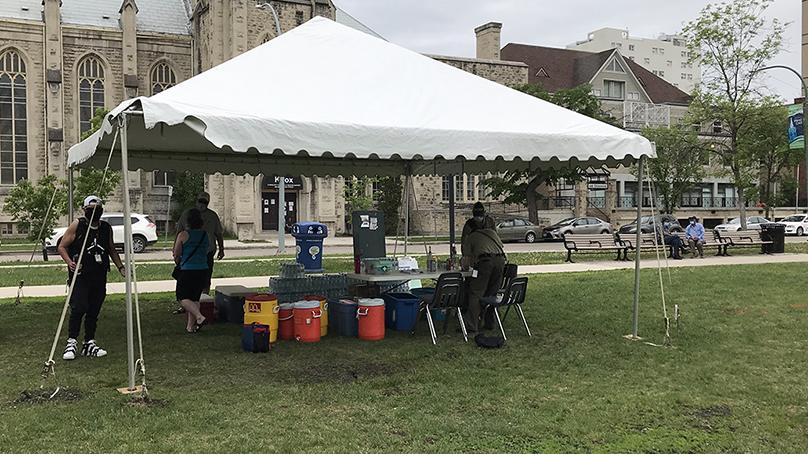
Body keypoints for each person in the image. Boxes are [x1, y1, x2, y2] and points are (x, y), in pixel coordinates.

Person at [57, 196, 125, 360]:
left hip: (99, 274)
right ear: (85, 209)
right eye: (91, 208)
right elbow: (62, 246)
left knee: (94, 309)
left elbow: (111, 249)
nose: (95, 212)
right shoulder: (78, 225)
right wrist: (69, 262)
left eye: (98, 208)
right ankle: (72, 341)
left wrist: (121, 267)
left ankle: (89, 342)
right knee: (79, 307)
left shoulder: (105, 228)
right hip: (80, 275)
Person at [173, 191, 224, 313]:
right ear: (196, 201)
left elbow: (219, 234)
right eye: (201, 201)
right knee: (185, 283)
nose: (202, 204)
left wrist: (222, 249)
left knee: (205, 281)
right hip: (187, 256)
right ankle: (187, 306)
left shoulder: (212, 216)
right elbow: (178, 232)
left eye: (205, 202)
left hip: (206, 254)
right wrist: (176, 252)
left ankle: (203, 303)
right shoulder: (187, 214)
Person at [462, 202, 506, 333]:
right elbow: (501, 246)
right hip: (500, 261)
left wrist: (469, 267)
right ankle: (490, 322)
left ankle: (472, 325)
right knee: (492, 293)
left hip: (485, 262)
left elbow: (466, 256)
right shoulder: (492, 232)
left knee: (475, 293)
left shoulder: (471, 236)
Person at [173, 208, 210, 333]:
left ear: (188, 221)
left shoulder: (183, 234)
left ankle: (200, 317)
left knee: (182, 298)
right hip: (203, 269)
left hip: (188, 270)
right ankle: (190, 326)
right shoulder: (205, 235)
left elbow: (177, 253)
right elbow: (207, 250)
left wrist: (178, 259)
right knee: (195, 299)